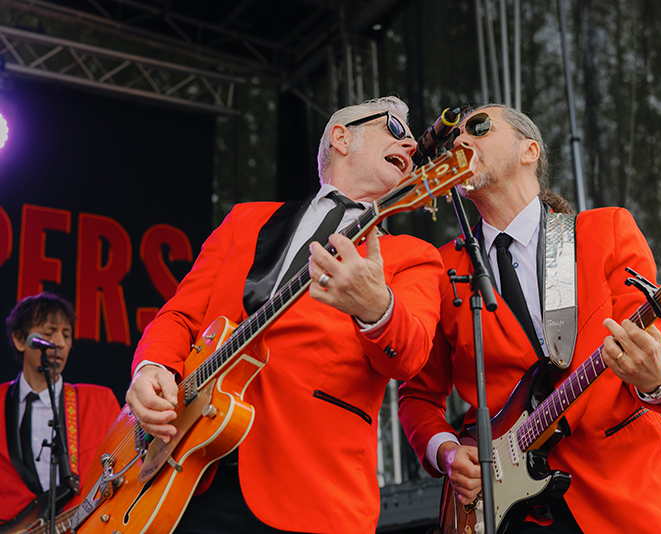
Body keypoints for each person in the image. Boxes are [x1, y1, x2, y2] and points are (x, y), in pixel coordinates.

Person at [125, 96, 443, 533]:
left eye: (410, 137)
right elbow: (180, 315)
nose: (410, 144)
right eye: (394, 127)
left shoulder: (413, 256)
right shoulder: (244, 220)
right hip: (191, 470)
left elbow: (410, 357)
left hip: (311, 487)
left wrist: (378, 309)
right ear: (341, 138)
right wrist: (152, 367)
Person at [397, 104, 661, 533]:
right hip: (509, 509)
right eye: (455, 136)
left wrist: (657, 380)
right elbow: (418, 397)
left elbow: (657, 353)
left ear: (529, 151)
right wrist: (447, 452)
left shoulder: (606, 231)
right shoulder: (442, 269)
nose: (461, 140)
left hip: (625, 489)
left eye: (479, 127)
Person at [0, 292, 120, 524]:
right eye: (49, 333)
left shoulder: (100, 401)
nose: (61, 343)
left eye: (67, 335)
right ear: (19, 339)